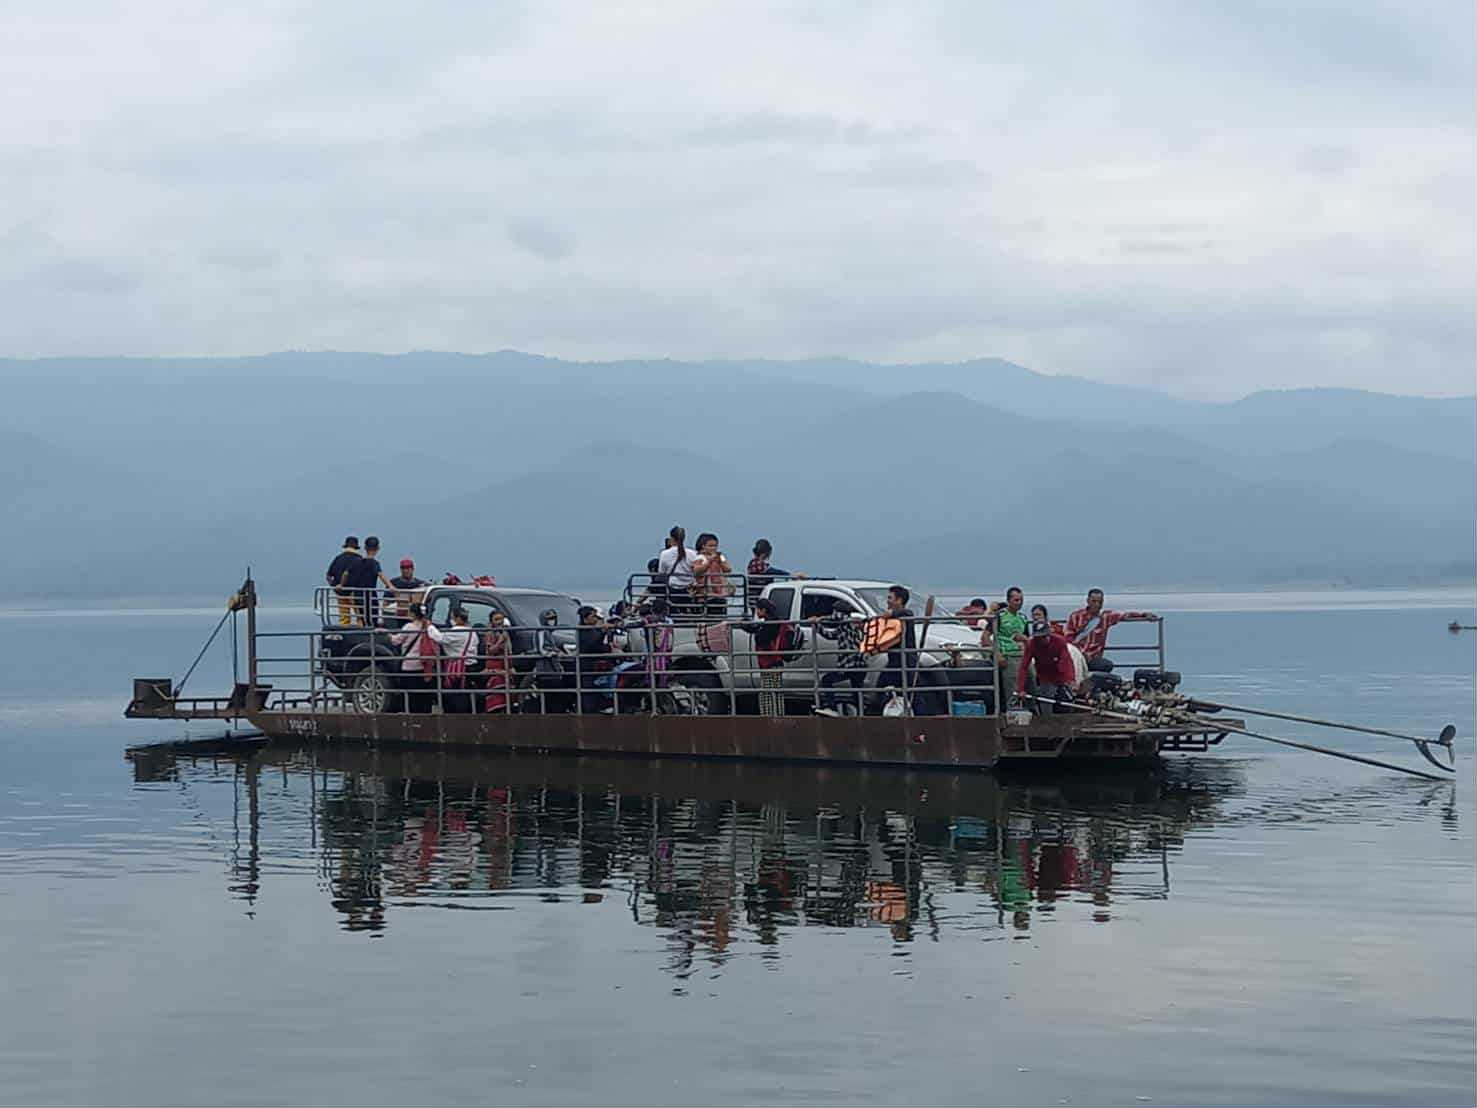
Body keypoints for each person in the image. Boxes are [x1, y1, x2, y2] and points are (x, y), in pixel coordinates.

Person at [1064, 589, 1159, 671]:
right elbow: (1068, 640)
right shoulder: (1075, 616)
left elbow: (1124, 615)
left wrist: (1143, 615)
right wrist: (1081, 654)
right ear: (1088, 601)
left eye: (1099, 602)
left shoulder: (1105, 617)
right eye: (1094, 601)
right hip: (1077, 656)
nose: (1097, 605)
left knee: (1106, 665)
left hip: (1093, 658)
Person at [810, 598, 867, 717]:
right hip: (859, 664)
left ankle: (832, 707)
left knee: (827, 680)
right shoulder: (847, 626)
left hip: (849, 664)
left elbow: (837, 618)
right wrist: (817, 626)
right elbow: (830, 635)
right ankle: (860, 712)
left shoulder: (848, 622)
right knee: (857, 689)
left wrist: (820, 618)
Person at [1016, 606, 1077, 713]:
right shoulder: (1031, 644)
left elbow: (1067, 662)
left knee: (1066, 702)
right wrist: (1020, 689)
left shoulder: (1059, 642)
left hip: (1061, 675)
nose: (1041, 640)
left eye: (1044, 637)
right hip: (1045, 676)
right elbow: (1024, 667)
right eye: (1039, 637)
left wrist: (1070, 680)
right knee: (1046, 701)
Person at [741, 597, 795, 717]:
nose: (757, 613)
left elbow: (762, 639)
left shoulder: (769, 625)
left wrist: (753, 631)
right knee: (777, 693)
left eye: (758, 610)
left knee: (767, 693)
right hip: (776, 662)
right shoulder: (777, 622)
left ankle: (769, 717)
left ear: (764, 610)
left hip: (769, 663)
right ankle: (778, 716)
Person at [391, 602, 444, 713]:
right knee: (423, 695)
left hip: (409, 666)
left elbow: (396, 641)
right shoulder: (429, 627)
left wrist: (386, 634)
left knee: (409, 695)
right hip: (424, 666)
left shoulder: (409, 627)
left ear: (413, 614)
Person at [876, 585, 917, 707]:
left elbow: (908, 612)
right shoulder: (891, 618)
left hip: (906, 660)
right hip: (894, 660)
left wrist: (893, 612)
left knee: (907, 691)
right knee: (886, 688)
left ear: (899, 600)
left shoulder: (904, 615)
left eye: (890, 598)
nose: (887, 601)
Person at [988, 586, 1029, 706]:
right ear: (1008, 600)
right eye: (1016, 600)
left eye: (1021, 600)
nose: (1019, 603)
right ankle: (1012, 710)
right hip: (1007, 655)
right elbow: (985, 637)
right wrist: (997, 654)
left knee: (1031, 679)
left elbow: (1028, 639)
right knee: (1012, 686)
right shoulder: (999, 616)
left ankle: (1033, 710)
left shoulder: (1023, 618)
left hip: (1022, 655)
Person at [576, 604, 619, 714]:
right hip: (587, 665)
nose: (596, 619)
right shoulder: (582, 631)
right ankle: (589, 713)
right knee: (588, 690)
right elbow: (590, 645)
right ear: (585, 618)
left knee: (597, 689)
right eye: (593, 616)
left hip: (595, 664)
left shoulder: (592, 630)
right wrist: (602, 632)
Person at [343, 536, 393, 626]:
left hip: (358, 596)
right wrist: (391, 587)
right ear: (378, 548)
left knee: (362, 617)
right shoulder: (374, 563)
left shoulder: (356, 562)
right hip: (370, 597)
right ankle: (371, 632)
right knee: (372, 619)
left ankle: (364, 628)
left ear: (365, 548)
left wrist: (341, 584)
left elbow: (346, 574)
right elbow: (381, 575)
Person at [439, 606, 480, 713]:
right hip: (471, 666)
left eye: (452, 617)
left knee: (456, 695)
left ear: (458, 619)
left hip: (458, 668)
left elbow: (440, 638)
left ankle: (456, 715)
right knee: (467, 693)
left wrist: (430, 628)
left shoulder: (455, 631)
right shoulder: (472, 632)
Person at [690, 533, 734, 617]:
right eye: (710, 546)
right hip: (705, 596)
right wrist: (709, 562)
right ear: (703, 546)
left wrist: (720, 562)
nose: (713, 548)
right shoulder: (700, 557)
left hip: (720, 594)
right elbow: (696, 571)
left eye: (715, 546)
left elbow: (728, 570)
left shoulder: (720, 557)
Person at [655, 526, 697, 610]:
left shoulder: (664, 554)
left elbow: (662, 572)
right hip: (689, 590)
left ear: (671, 538)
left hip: (672, 589)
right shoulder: (693, 553)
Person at [326, 537, 362, 626]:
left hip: (340, 592)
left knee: (344, 618)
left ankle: (344, 633)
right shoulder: (359, 558)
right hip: (354, 592)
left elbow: (328, 575)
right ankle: (361, 632)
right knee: (360, 616)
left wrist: (334, 586)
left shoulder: (338, 558)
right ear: (356, 548)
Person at [482, 611, 513, 714]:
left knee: (507, 696)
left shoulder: (505, 632)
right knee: (496, 697)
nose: (499, 622)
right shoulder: (490, 633)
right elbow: (490, 651)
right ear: (492, 621)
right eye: (496, 619)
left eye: (501, 619)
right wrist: (500, 641)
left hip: (505, 668)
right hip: (495, 670)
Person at [387, 558, 427, 622]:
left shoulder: (420, 584)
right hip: (397, 616)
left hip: (415, 616)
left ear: (413, 569)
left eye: (408, 568)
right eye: (403, 568)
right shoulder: (393, 583)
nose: (405, 571)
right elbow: (386, 603)